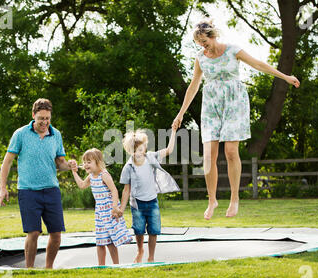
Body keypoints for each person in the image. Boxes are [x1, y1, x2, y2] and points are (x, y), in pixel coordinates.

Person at [172, 20, 300, 220]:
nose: (202, 46)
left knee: (231, 151)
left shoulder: (233, 50)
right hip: (211, 105)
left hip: (234, 102)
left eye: (204, 41)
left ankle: (234, 198)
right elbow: (194, 86)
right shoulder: (200, 58)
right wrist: (181, 113)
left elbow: (258, 64)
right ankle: (212, 199)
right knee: (208, 156)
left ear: (213, 36)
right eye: (199, 43)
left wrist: (285, 76)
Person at [0, 98, 74, 269]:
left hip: (51, 190)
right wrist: (3, 188)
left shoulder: (56, 135)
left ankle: (48, 269)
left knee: (56, 234)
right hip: (28, 191)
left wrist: (69, 165)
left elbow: (60, 163)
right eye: (41, 118)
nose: (45, 122)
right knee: (33, 233)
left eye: (47, 118)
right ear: (33, 116)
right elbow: (7, 162)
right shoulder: (21, 134)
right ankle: (30, 270)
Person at [119, 128, 180, 263]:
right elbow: (126, 189)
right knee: (139, 230)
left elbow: (169, 150)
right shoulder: (128, 167)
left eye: (142, 149)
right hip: (137, 204)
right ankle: (140, 250)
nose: (141, 152)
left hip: (152, 201)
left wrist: (174, 132)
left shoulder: (151, 157)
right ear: (131, 152)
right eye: (138, 150)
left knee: (154, 230)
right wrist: (121, 209)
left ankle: (151, 257)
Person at [69, 148, 131, 266]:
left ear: (98, 162)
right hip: (100, 213)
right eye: (85, 162)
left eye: (89, 162)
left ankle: (116, 265)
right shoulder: (91, 176)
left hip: (109, 211)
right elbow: (82, 185)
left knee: (110, 242)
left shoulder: (104, 175)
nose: (86, 164)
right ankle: (101, 266)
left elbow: (114, 191)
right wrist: (74, 172)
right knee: (100, 241)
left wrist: (114, 207)